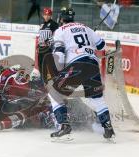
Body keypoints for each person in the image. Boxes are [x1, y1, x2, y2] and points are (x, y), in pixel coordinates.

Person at [47, 8, 115, 140]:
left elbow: (59, 55)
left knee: (54, 92)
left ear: (61, 19)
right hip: (93, 65)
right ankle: (108, 129)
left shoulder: (60, 31)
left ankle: (63, 125)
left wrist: (58, 72)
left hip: (77, 66)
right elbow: (101, 45)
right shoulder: (86, 27)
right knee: (96, 99)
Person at [38, 7, 59, 84]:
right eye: (45, 15)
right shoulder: (42, 25)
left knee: (50, 66)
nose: (46, 16)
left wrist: (50, 41)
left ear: (51, 15)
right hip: (41, 48)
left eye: (48, 15)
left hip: (48, 48)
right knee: (40, 66)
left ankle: (57, 82)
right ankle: (43, 82)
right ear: (43, 15)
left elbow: (57, 36)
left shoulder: (54, 24)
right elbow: (41, 36)